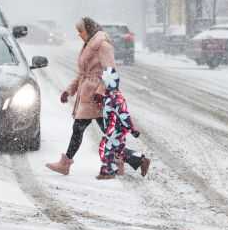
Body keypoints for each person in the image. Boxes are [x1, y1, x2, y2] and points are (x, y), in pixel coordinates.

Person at [45, 17, 150, 179]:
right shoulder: (89, 45)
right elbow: (82, 74)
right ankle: (136, 159)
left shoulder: (102, 45)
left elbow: (111, 71)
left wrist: (101, 91)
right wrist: (69, 91)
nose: (79, 35)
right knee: (102, 133)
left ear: (89, 29)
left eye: (81, 31)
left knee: (79, 130)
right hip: (89, 95)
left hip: (97, 97)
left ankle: (65, 164)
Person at [96, 67, 143, 179]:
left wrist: (132, 130)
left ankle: (109, 170)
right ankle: (139, 160)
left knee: (107, 148)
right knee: (116, 150)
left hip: (116, 130)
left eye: (103, 82)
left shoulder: (116, 98)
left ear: (109, 82)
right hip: (113, 129)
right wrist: (101, 100)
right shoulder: (109, 96)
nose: (101, 84)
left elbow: (124, 115)